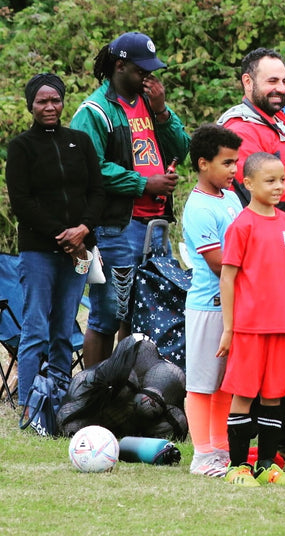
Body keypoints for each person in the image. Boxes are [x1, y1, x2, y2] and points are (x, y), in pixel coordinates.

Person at [70, 31, 189, 368]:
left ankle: (124, 392)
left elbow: (183, 148)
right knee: (107, 313)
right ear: (120, 66)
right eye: (142, 71)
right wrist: (143, 183)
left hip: (156, 225)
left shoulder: (150, 104)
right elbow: (88, 166)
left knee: (142, 313)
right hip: (115, 227)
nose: (149, 78)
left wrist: (163, 112)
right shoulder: (94, 110)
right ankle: (91, 394)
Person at [7, 73, 104, 415]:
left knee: (64, 326)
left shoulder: (80, 141)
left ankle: (61, 400)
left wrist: (83, 229)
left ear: (63, 102)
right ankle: (30, 404)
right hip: (39, 251)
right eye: (41, 101)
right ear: (31, 105)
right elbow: (22, 202)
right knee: (35, 327)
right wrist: (63, 235)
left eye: (55, 100)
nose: (49, 107)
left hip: (81, 252)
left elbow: (97, 191)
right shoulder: (21, 148)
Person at [216, 152, 285, 487]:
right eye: (270, 181)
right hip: (249, 327)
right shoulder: (242, 224)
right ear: (248, 183)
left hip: (282, 328)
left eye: (282, 179)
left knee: (273, 396)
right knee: (243, 394)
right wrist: (229, 328)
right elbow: (228, 277)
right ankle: (237, 466)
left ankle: (267, 465)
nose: (279, 186)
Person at [181, 124, 243, 478]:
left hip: (234, 305)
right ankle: (201, 455)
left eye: (236, 162)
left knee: (223, 383)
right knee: (202, 384)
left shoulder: (230, 198)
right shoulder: (199, 208)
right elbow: (219, 263)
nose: (234, 170)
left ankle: (220, 448)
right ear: (204, 164)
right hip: (208, 306)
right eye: (227, 163)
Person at [217, 48, 285, 211]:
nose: (281, 88)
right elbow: (262, 191)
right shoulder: (241, 131)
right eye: (272, 81)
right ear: (248, 82)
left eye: (284, 81)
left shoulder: (284, 121)